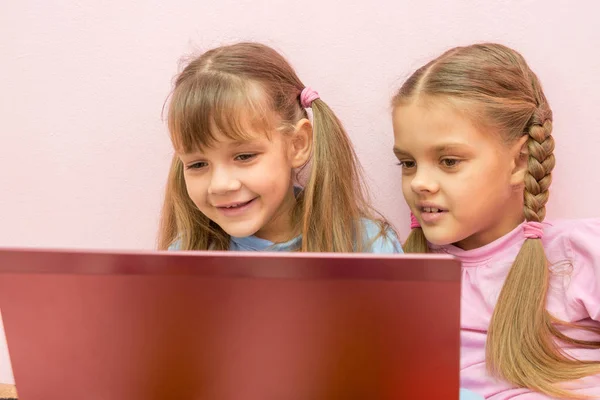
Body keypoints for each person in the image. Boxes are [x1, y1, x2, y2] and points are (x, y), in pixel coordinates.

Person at [391, 42, 600, 399]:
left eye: (449, 161)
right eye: (408, 163)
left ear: (519, 161)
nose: (420, 183)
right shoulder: (396, 280)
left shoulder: (580, 251)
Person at [158, 42, 401, 253]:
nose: (220, 185)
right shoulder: (184, 260)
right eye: (198, 164)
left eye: (244, 156)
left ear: (297, 144)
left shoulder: (369, 248)